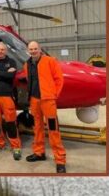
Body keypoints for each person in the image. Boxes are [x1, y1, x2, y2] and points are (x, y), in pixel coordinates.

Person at [24, 41, 66, 173]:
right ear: (28, 50)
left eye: (35, 49)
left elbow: (59, 79)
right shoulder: (27, 64)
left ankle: (60, 160)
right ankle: (39, 153)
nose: (33, 51)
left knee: (53, 129)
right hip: (34, 100)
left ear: (39, 49)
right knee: (37, 127)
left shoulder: (50, 61)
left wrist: (54, 95)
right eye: (31, 49)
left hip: (48, 101)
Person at [0, 41, 22, 160]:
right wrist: (4, 73)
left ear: (5, 51)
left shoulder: (11, 62)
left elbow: (11, 76)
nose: (0, 52)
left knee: (11, 122)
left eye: (2, 50)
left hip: (7, 97)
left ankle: (16, 146)